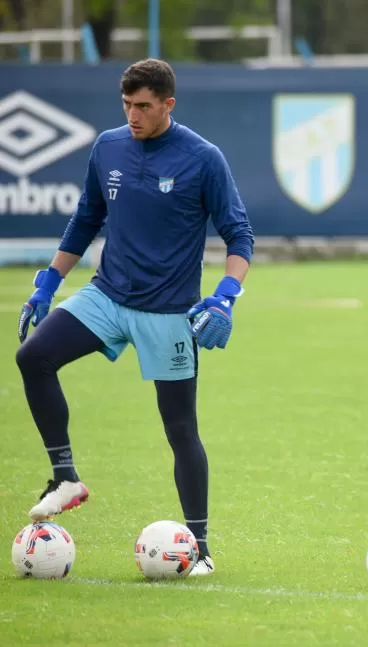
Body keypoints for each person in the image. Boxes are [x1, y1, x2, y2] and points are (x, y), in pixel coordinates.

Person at [15, 58, 254, 577]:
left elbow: (240, 237)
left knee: (180, 429)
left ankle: (202, 547)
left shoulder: (203, 158)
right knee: (33, 357)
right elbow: (86, 218)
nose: (133, 115)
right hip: (106, 296)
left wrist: (225, 296)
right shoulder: (108, 146)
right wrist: (48, 284)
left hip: (168, 314)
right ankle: (65, 477)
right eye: (126, 104)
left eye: (143, 106)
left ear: (169, 103)